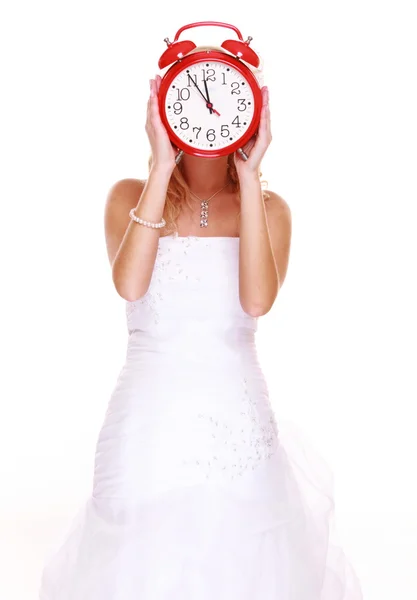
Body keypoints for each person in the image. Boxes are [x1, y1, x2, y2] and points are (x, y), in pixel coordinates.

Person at [38, 70, 363, 599]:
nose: (207, 118)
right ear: (163, 110)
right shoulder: (129, 196)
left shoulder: (271, 208)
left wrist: (251, 179)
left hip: (234, 416)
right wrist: (162, 168)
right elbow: (130, 284)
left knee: (239, 557)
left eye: (224, 102)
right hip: (147, 418)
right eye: (188, 99)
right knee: (138, 556)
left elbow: (256, 301)